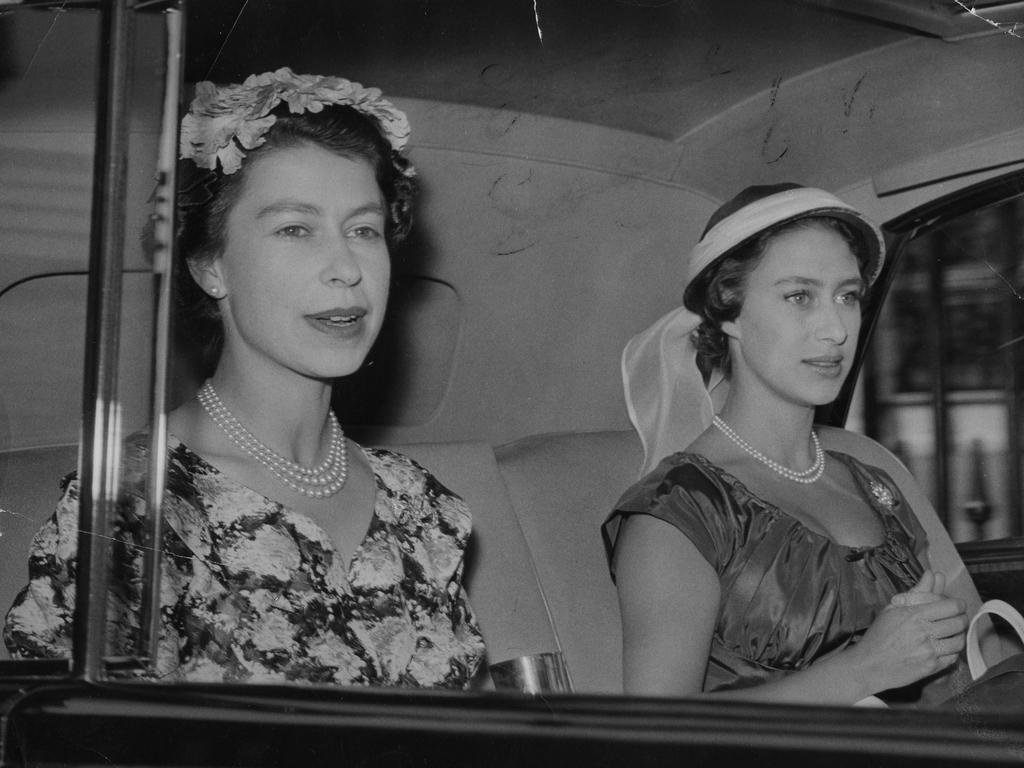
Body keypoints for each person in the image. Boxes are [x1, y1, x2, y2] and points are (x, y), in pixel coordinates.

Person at [3, 68, 485, 688]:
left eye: (363, 229)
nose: (346, 267)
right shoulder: (137, 508)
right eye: (295, 229)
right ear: (209, 266)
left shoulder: (420, 504)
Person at [602, 183, 971, 705]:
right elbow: (653, 738)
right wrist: (864, 669)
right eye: (799, 297)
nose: (835, 330)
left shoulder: (872, 480)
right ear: (727, 311)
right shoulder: (679, 510)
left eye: (847, 297)